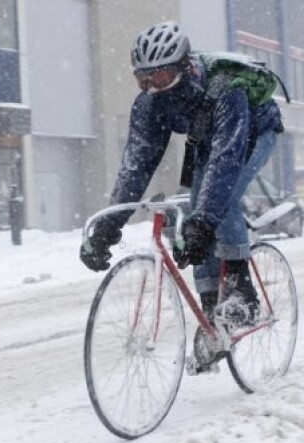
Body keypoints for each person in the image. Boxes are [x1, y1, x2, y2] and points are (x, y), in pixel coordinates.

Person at [79, 20, 284, 325]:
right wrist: (108, 227)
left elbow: (226, 160)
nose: (152, 88)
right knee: (196, 215)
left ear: (184, 67)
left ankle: (243, 292)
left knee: (216, 205)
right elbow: (135, 168)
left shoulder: (227, 88)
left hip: (254, 131)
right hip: (206, 137)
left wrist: (203, 223)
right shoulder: (149, 105)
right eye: (142, 79)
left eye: (159, 76)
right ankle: (213, 314)